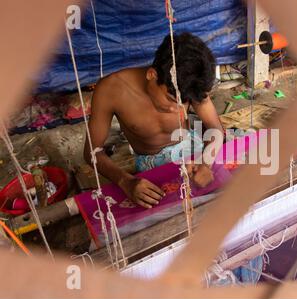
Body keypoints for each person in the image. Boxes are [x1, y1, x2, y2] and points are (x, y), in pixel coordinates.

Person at [84, 32, 223, 209]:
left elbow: (215, 128)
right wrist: (125, 181)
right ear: (152, 75)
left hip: (193, 150)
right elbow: (92, 151)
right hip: (151, 165)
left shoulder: (188, 82)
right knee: (167, 217)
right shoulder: (111, 90)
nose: (176, 109)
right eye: (171, 100)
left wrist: (205, 163)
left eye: (184, 103)